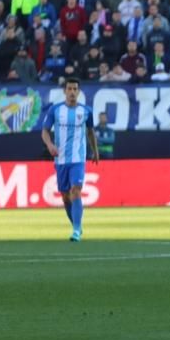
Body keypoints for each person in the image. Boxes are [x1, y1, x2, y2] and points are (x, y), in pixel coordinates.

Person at [41, 77, 99, 242]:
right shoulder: (55, 110)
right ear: (64, 91)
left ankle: (75, 230)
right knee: (65, 196)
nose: (72, 92)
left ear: (78, 92)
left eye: (75, 89)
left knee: (76, 190)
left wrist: (95, 151)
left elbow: (90, 132)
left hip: (78, 158)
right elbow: (45, 131)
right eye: (69, 89)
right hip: (61, 160)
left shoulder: (86, 111)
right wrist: (50, 145)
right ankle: (77, 225)